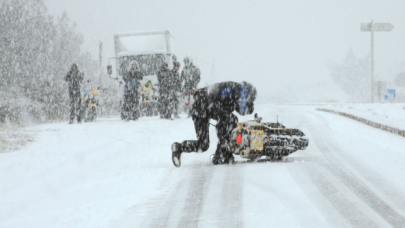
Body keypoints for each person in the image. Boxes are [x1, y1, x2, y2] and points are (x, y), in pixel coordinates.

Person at [171, 81, 257, 167]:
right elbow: (243, 110)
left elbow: (238, 108)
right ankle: (222, 153)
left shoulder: (233, 92)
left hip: (199, 107)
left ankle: (178, 147)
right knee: (230, 120)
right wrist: (250, 106)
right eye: (249, 99)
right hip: (206, 104)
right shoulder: (242, 89)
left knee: (203, 144)